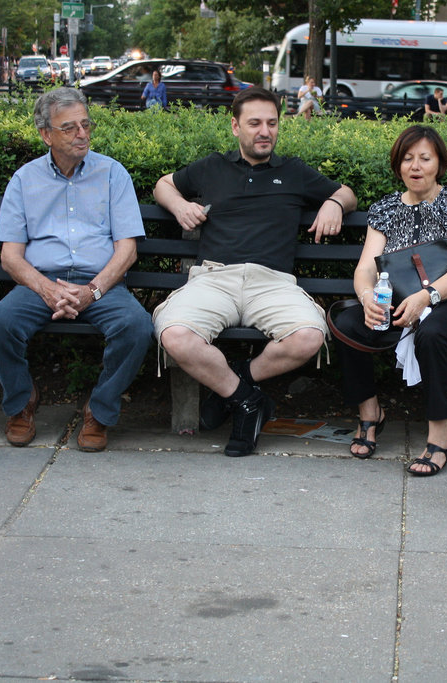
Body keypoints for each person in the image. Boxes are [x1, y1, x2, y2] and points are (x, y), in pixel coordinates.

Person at [152, 86, 356, 457]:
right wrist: (180, 205)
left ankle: (233, 387)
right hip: (214, 278)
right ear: (235, 126)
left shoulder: (293, 172)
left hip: (272, 283)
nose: (265, 131)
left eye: (272, 123)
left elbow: (347, 193)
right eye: (255, 123)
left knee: (309, 337)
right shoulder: (212, 166)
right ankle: (248, 402)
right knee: (176, 336)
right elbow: (163, 184)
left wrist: (333, 203)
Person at [0, 87, 154, 452]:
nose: (82, 134)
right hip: (40, 284)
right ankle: (21, 402)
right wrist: (47, 290)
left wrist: (93, 291)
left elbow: (127, 250)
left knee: (136, 327)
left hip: (101, 284)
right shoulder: (24, 180)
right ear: (46, 134)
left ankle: (100, 413)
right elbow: (11, 258)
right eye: (69, 127)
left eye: (86, 124)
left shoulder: (112, 174)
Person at [330, 125, 447, 475]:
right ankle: (370, 414)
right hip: (396, 301)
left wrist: (427, 296)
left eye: (424, 158)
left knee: (433, 333)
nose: (416, 166)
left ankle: (439, 437)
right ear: (398, 165)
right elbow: (365, 269)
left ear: (438, 163)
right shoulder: (384, 209)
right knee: (348, 323)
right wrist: (367, 298)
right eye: (408, 159)